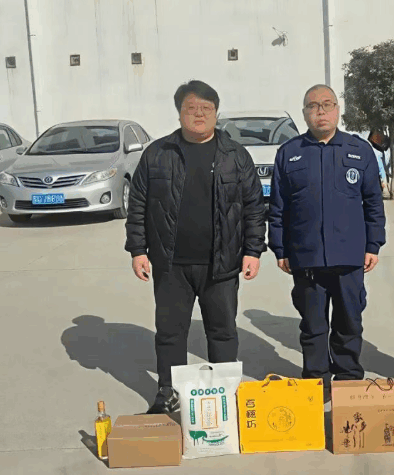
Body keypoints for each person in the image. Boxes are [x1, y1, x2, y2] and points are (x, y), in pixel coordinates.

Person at [125, 80, 266, 414]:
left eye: (206, 108)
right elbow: (138, 204)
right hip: (171, 263)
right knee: (170, 332)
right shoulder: (158, 154)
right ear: (179, 113)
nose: (199, 114)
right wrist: (138, 250)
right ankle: (168, 391)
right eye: (191, 108)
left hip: (222, 263)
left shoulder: (235, 155)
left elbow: (253, 206)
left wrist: (253, 250)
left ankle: (225, 392)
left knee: (223, 330)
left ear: (216, 113)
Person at [268, 84, 386, 401]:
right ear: (304, 113)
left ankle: (348, 381)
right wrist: (280, 249)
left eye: (327, 104)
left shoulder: (359, 150)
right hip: (305, 257)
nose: (320, 111)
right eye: (313, 106)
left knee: (349, 322)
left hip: (350, 256)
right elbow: (278, 208)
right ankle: (316, 383)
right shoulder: (289, 152)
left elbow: (373, 203)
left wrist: (373, 245)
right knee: (313, 326)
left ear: (337, 110)